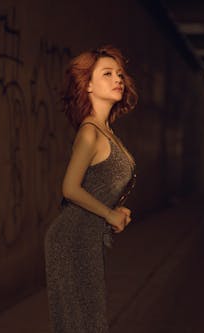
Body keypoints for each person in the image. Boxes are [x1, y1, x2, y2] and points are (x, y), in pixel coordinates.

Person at [44, 45, 138, 332]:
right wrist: (109, 215)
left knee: (88, 323)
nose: (117, 79)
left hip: (87, 238)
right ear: (87, 85)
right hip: (71, 240)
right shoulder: (90, 132)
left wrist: (113, 209)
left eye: (119, 74)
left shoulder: (107, 130)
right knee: (83, 324)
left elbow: (97, 184)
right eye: (107, 74)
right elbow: (70, 188)